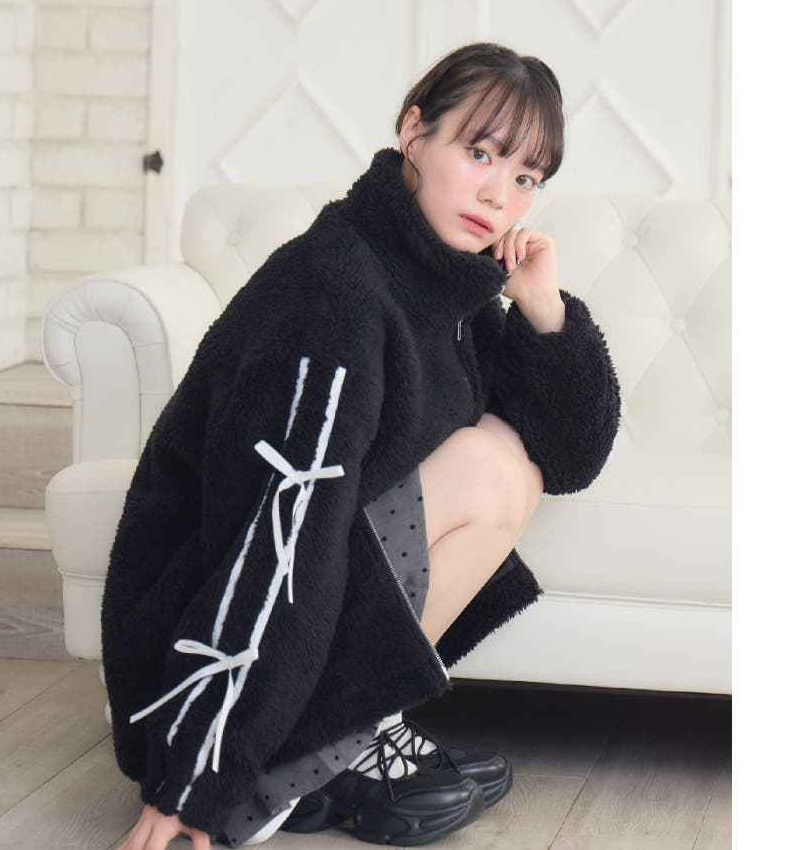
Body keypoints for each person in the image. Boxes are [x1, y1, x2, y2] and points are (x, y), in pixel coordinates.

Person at [105, 42, 621, 850]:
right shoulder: (336, 287)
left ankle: (344, 744)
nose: (498, 194)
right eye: (479, 153)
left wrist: (544, 310)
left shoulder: (448, 285)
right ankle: (294, 763)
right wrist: (195, 777)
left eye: (526, 176)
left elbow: (569, 458)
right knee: (487, 469)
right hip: (197, 624)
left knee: (511, 461)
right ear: (414, 132)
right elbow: (274, 529)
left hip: (299, 598)